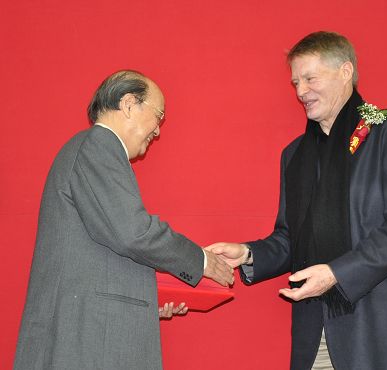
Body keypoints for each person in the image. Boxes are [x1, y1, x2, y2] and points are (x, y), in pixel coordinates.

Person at [208, 31, 387, 369]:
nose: (300, 92)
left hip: (380, 330)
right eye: (296, 82)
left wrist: (337, 273)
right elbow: (290, 239)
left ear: (345, 71)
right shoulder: (295, 155)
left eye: (309, 78)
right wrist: (247, 253)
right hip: (314, 332)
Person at [14, 70, 234, 370]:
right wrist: (202, 261)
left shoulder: (91, 149)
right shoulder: (99, 146)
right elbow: (133, 233)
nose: (157, 131)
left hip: (86, 335)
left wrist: (144, 299)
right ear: (129, 104)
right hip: (85, 345)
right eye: (159, 116)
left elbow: (103, 251)